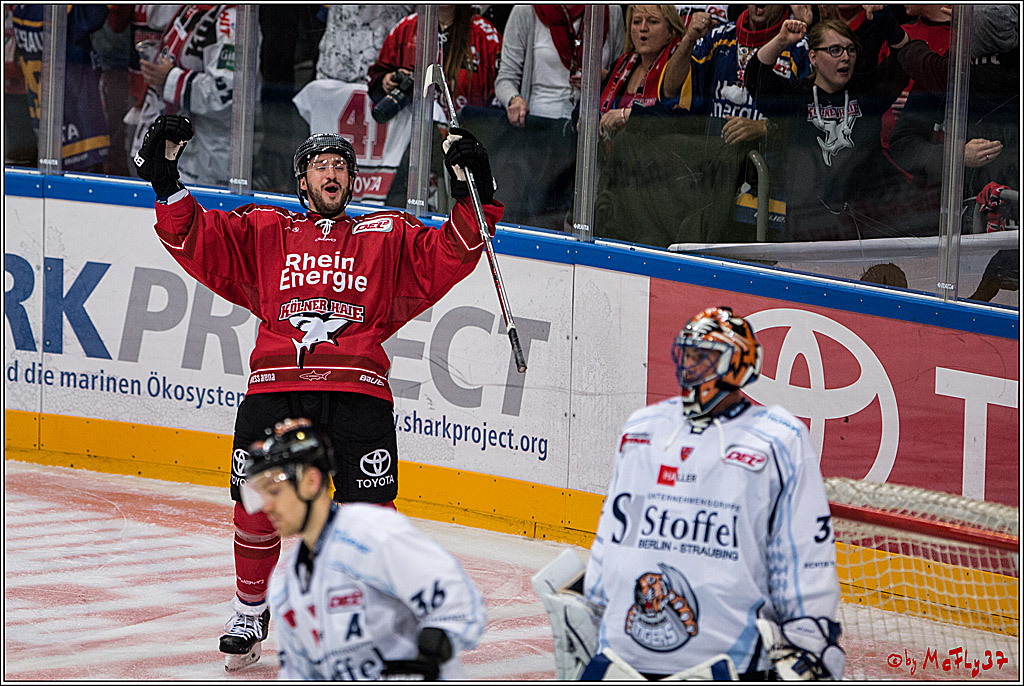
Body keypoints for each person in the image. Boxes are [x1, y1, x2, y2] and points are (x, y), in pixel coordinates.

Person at [132, 114, 502, 670]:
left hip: (359, 389)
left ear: (352, 181)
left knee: (371, 513)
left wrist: (477, 187)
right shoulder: (265, 229)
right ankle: (250, 610)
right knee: (257, 498)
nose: (332, 173)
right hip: (275, 386)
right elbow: (197, 241)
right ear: (301, 180)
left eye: (341, 166)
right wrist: (166, 183)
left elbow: (454, 251)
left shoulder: (388, 235)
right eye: (320, 165)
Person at [577, 306, 844, 679]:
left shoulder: (779, 439)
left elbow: (802, 555)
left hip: (726, 666)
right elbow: (613, 531)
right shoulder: (643, 428)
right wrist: (595, 603)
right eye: (689, 353)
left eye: (705, 356)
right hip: (621, 658)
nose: (691, 365)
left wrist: (810, 641)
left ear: (738, 365)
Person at [240, 418, 487, 680]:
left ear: (311, 481)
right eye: (261, 494)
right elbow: (298, 673)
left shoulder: (372, 534)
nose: (265, 506)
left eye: (274, 491)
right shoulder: (285, 583)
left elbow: (458, 603)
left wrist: (433, 648)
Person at [745, 11, 912, 241]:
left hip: (864, 226)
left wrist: (885, 18)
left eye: (850, 49)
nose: (845, 57)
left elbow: (905, 57)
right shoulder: (798, 98)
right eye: (834, 50)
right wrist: (781, 40)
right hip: (807, 225)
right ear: (813, 57)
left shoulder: (867, 91)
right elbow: (755, 76)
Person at [670, 4, 812, 143]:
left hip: (771, 161)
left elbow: (810, 118)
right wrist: (689, 39)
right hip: (713, 158)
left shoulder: (799, 48)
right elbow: (670, 89)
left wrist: (765, 127)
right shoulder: (718, 36)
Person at [137, 5, 244, 187]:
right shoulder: (195, 8)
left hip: (210, 155)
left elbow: (226, 93)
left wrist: (170, 77)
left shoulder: (232, 19)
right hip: (182, 147)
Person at [598, 5, 687, 140]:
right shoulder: (622, 65)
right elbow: (589, 104)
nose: (643, 28)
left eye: (652, 21)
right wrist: (584, 121)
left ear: (670, 31)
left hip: (655, 155)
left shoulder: (679, 69)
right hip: (612, 156)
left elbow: (681, 120)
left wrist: (628, 115)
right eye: (637, 22)